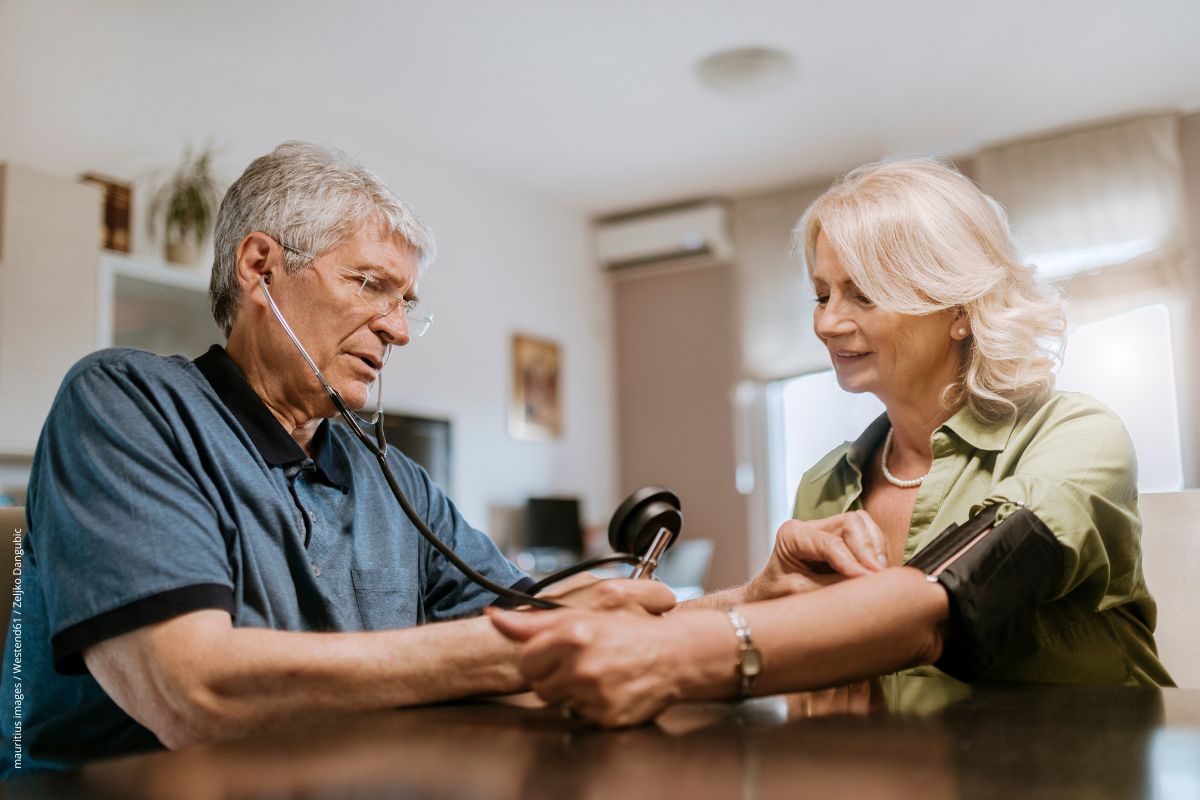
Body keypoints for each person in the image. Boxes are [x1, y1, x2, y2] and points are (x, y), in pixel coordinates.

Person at [0, 141, 671, 768]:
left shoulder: (393, 477)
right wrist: (527, 654)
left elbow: (539, 618)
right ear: (260, 268)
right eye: (371, 284)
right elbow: (193, 695)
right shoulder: (124, 403)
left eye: (407, 302)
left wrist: (743, 611)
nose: (399, 329)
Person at [491, 158, 1174, 728]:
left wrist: (676, 654)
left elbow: (956, 596)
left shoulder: (1077, 437)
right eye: (821, 294)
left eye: (863, 295)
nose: (828, 323)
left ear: (961, 310)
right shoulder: (826, 485)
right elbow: (805, 659)